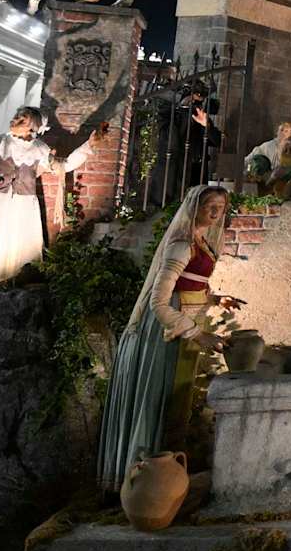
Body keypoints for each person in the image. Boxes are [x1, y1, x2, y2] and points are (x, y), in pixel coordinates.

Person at [97, 184, 234, 495]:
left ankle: (165, 478)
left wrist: (216, 300)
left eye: (221, 208)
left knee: (175, 402)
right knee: (158, 400)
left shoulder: (202, 242)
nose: (215, 213)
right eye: (210, 205)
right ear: (194, 207)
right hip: (167, 333)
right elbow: (160, 303)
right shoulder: (181, 245)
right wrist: (199, 333)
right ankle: (144, 484)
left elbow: (192, 287)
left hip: (186, 327)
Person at [0, 109, 109, 285]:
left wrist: (88, 146)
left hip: (24, 206)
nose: (15, 119)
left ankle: (14, 286)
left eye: (22, 119)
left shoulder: (40, 148)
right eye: (17, 116)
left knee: (19, 248)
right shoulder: (0, 142)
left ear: (34, 127)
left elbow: (64, 166)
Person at [242, 121, 291, 198]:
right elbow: (248, 160)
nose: (284, 134)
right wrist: (249, 172)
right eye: (283, 130)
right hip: (256, 184)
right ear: (278, 132)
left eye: (288, 131)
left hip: (274, 188)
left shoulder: (287, 150)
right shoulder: (267, 146)